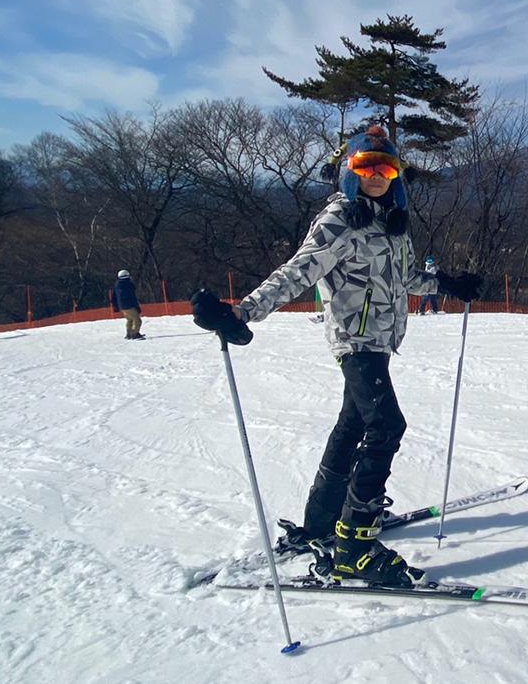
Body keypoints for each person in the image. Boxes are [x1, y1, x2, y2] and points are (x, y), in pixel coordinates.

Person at [191, 124, 482, 587]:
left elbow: (406, 279)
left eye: (386, 167)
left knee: (353, 423)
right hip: (354, 340)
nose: (377, 175)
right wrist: (243, 311)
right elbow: (299, 271)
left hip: (381, 341)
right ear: (351, 170)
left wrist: (449, 283)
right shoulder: (341, 219)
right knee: (386, 425)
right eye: (366, 166)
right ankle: (354, 548)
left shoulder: (393, 223)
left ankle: (323, 520)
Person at [111, 270, 143, 339]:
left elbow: (114, 296)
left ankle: (129, 334)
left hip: (122, 306)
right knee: (137, 319)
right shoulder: (128, 285)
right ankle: (134, 334)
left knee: (130, 319)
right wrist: (137, 306)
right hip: (130, 305)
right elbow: (132, 297)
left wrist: (116, 306)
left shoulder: (117, 285)